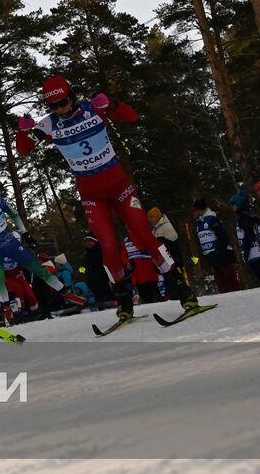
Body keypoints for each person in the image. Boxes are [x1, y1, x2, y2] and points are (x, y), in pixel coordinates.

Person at [16, 76, 199, 321]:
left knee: (143, 233)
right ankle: (123, 299)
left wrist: (111, 105)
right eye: (54, 106)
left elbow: (131, 116)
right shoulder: (49, 124)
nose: (61, 109)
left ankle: (182, 289)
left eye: (64, 102)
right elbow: (24, 149)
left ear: (72, 96)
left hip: (120, 186)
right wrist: (24, 131)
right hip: (92, 195)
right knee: (109, 246)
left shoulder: (93, 109)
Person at [0, 178, 87, 323]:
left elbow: (14, 215)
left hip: (10, 243)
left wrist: (25, 234)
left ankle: (66, 293)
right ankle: (6, 308)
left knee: (37, 268)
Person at [193, 198, 239, 293]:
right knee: (220, 280)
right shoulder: (199, 222)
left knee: (230, 278)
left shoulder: (212, 218)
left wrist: (218, 251)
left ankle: (239, 296)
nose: (193, 213)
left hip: (223, 254)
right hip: (213, 256)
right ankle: (226, 299)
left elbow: (223, 237)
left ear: (199, 209)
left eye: (194, 210)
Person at [231, 188, 260, 287]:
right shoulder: (247, 216)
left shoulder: (243, 217)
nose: (232, 207)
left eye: (234, 204)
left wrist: (246, 251)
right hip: (257, 250)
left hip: (254, 251)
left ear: (239, 204)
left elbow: (249, 234)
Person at [123, 235, 163, 304]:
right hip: (136, 272)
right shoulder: (127, 239)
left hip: (148, 269)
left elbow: (142, 246)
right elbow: (123, 253)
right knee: (145, 295)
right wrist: (126, 262)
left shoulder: (141, 234)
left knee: (154, 293)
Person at [81, 233, 114, 307]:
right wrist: (89, 283)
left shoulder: (101, 250)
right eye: (86, 242)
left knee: (109, 298)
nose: (88, 243)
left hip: (106, 279)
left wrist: (111, 278)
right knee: (99, 301)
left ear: (95, 241)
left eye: (90, 241)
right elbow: (87, 269)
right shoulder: (86, 254)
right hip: (94, 282)